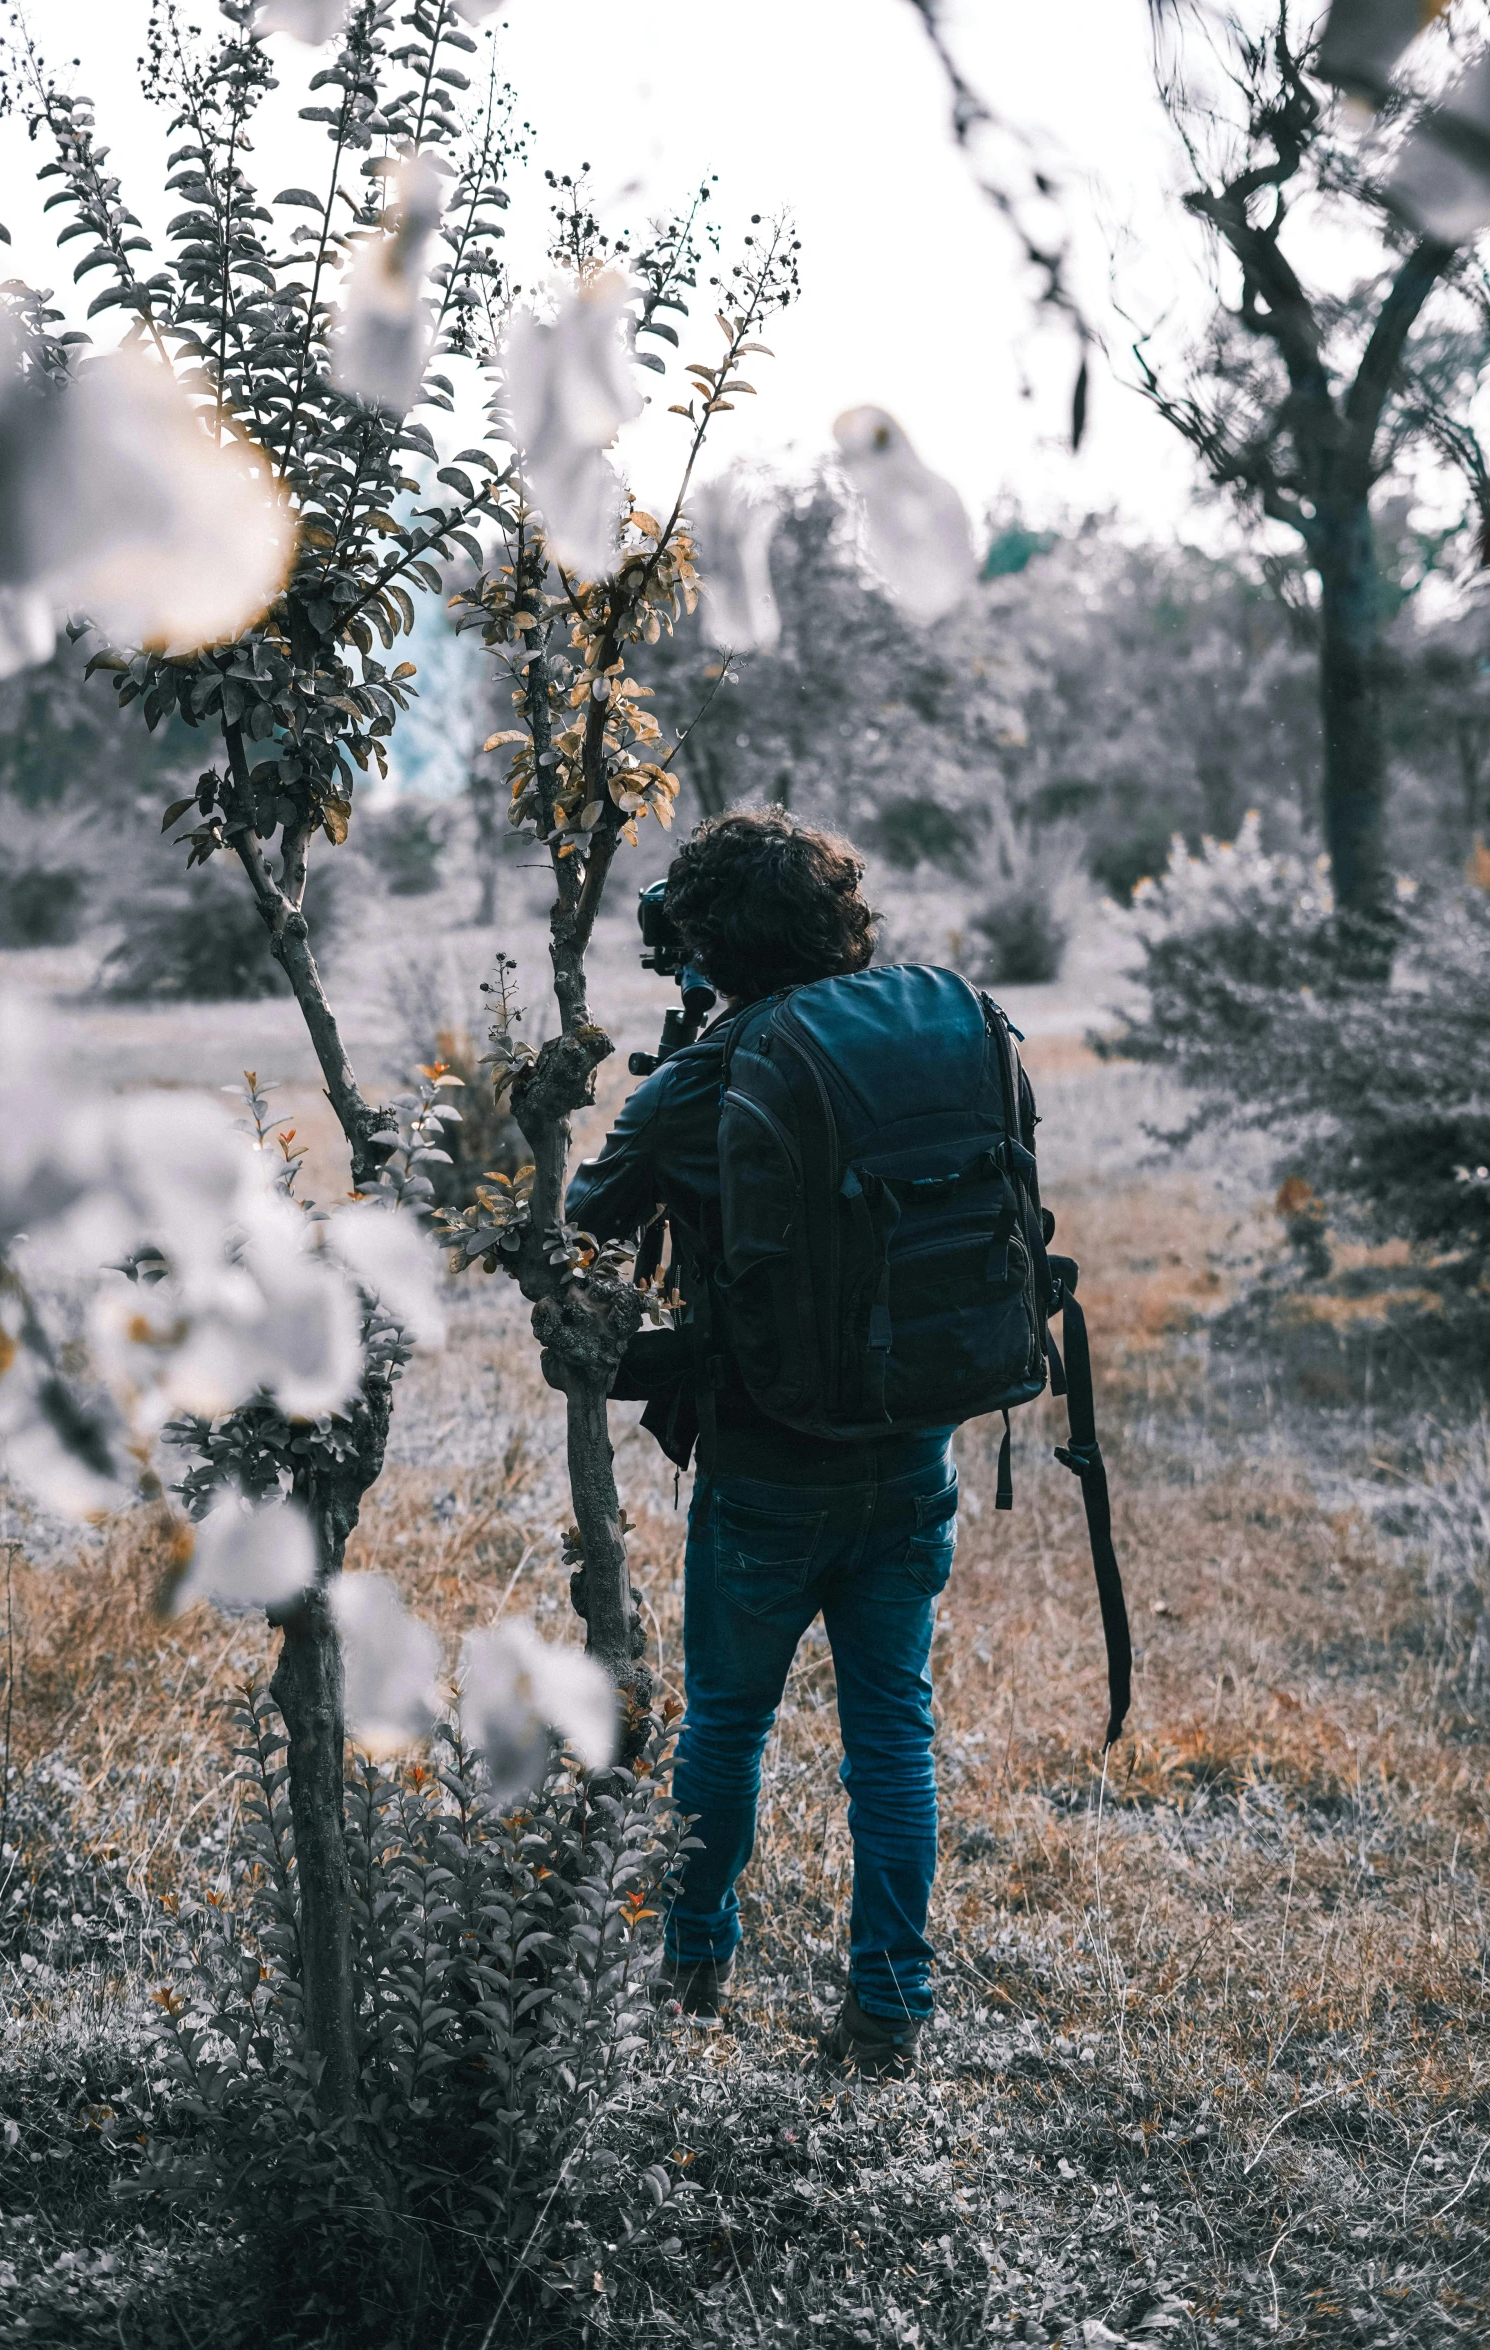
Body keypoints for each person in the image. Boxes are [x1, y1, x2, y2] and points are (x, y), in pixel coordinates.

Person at [565, 806, 970, 2078]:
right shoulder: (921, 1031)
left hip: (766, 1464)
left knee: (727, 1725)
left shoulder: (711, 1073)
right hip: (913, 1444)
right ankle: (888, 2012)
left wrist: (685, 1072)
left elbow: (585, 1219)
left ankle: (693, 1966)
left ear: (706, 942)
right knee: (891, 1734)